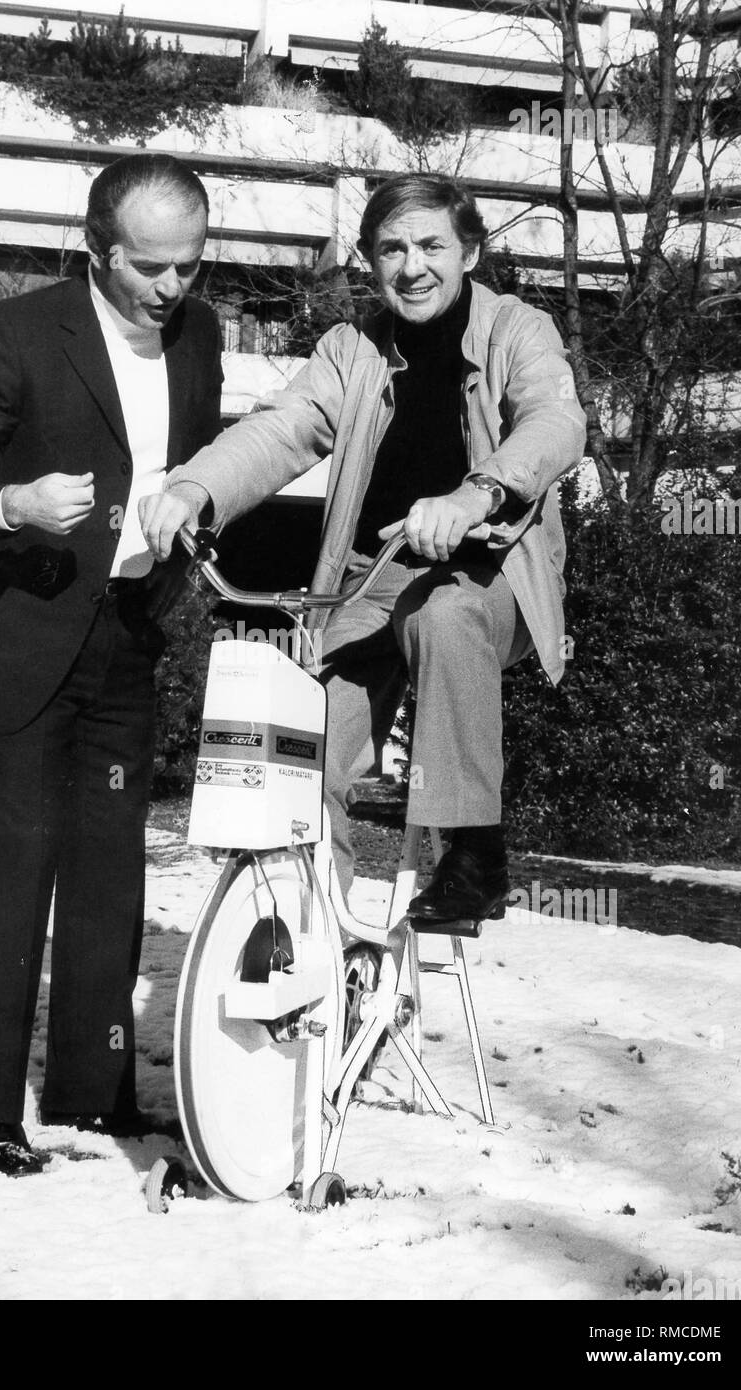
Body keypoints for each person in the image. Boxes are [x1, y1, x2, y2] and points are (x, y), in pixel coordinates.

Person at [141, 173, 586, 926]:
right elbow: (282, 428)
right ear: (371, 262)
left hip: (485, 577)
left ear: (469, 252)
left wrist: (476, 494)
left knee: (444, 616)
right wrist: (194, 489)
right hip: (368, 585)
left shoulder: (518, 330)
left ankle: (474, 853)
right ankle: (316, 949)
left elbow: (554, 422)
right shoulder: (351, 349)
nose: (412, 266)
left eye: (432, 246)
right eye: (392, 249)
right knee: (301, 763)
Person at [0, 153, 223, 1175]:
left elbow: (196, 464)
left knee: (111, 875)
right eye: (152, 268)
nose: (175, 289)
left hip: (129, 633)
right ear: (98, 250)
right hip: (21, 635)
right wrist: (11, 504)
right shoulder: (13, 332)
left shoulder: (203, 334)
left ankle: (94, 1094)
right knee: (18, 874)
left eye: (190, 265)